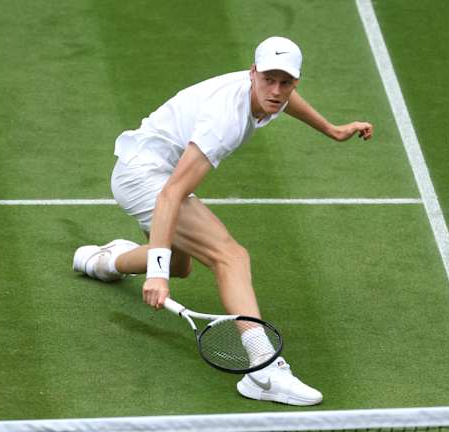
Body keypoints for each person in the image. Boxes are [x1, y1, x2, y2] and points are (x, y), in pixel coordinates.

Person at [73, 36, 373, 406]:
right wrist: (156, 274)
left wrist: (331, 129)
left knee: (181, 265)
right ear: (253, 74)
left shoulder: (270, 91)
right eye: (268, 80)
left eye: (286, 82)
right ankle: (262, 372)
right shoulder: (224, 122)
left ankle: (104, 262)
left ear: (295, 81)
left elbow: (284, 101)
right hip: (144, 175)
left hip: (156, 168)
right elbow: (170, 194)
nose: (277, 91)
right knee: (229, 255)